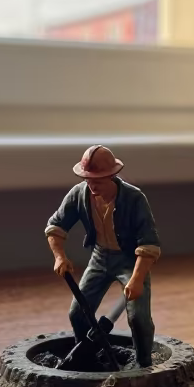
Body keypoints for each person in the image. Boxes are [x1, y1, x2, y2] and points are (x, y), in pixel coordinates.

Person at [45, 145, 161, 368]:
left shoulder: (134, 198)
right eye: (87, 179)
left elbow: (148, 243)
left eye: (97, 180)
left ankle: (144, 364)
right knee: (78, 313)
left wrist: (136, 280)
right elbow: (55, 227)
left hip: (130, 261)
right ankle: (86, 356)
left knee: (138, 318)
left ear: (112, 175)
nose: (91, 185)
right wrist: (59, 257)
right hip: (100, 257)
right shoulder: (79, 194)